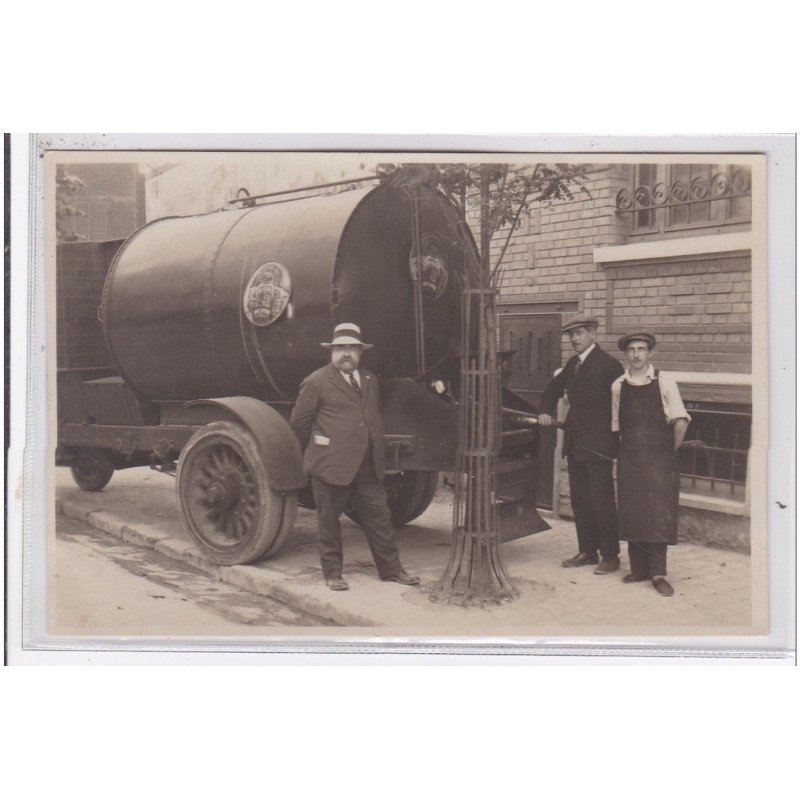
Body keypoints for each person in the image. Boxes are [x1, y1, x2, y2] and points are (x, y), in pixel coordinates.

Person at [290, 322, 420, 591]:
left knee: (380, 518)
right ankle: (333, 574)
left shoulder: (371, 379)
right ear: (331, 351)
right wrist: (315, 455)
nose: (346, 354)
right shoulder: (316, 381)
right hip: (330, 464)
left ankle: (391, 570)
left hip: (368, 465)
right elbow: (299, 425)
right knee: (329, 521)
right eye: (340, 348)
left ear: (360, 353)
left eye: (352, 348)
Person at [538, 315, 624, 574]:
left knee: (602, 501)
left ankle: (610, 556)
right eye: (571, 335)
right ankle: (587, 551)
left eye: (580, 333)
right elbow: (553, 389)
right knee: (581, 500)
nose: (574, 339)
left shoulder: (610, 366)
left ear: (593, 335)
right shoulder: (573, 363)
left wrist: (614, 442)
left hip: (598, 445)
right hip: (575, 443)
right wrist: (545, 410)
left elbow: (620, 407)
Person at [611, 332, 690, 597]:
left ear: (650, 353)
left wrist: (668, 452)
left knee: (657, 513)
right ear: (626, 354)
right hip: (630, 457)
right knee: (632, 509)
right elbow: (617, 426)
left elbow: (680, 421)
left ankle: (658, 573)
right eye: (631, 350)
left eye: (641, 349)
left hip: (659, 459)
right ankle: (638, 569)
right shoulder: (618, 385)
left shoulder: (665, 382)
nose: (636, 354)